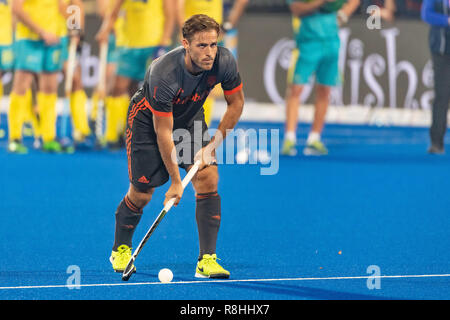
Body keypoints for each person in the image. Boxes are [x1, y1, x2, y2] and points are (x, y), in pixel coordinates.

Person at [109, 14, 244, 279]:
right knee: (143, 192)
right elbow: (164, 133)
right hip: (149, 122)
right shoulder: (164, 73)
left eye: (213, 45)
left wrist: (212, 145)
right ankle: (120, 248)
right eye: (201, 46)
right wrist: (175, 182)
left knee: (207, 177)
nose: (209, 53)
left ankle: (207, 260)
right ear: (185, 44)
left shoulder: (224, 61)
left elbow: (236, 104)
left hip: (189, 118)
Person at [281, 0, 359, 156]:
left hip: (331, 42)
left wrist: (342, 15)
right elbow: (296, 8)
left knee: (324, 90)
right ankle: (289, 138)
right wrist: (319, 2)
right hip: (307, 43)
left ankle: (314, 138)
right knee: (296, 88)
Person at [96, 0, 176, 150]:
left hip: (153, 45)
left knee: (151, 92)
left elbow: (169, 15)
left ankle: (150, 134)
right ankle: (114, 134)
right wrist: (105, 30)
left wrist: (164, 41)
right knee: (118, 88)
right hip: (128, 46)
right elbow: (113, 12)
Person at [176, 0, 248, 126]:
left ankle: (199, 133)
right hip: (194, 40)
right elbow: (178, 4)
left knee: (207, 88)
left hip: (210, 40)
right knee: (184, 88)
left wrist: (229, 24)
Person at [8, 0, 65, 154]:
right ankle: (15, 138)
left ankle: (48, 138)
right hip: (29, 38)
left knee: (50, 87)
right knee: (22, 85)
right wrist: (41, 32)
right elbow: (16, 9)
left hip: (53, 38)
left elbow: (66, 7)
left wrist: (74, 30)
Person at [59, 0, 92, 148]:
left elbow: (77, 7)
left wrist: (77, 32)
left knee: (76, 82)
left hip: (68, 40)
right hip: (49, 36)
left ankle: (81, 130)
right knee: (41, 83)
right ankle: (42, 130)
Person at [421, 0, 450, 154]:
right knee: (442, 96)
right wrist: (447, 20)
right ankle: (437, 142)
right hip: (441, 49)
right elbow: (426, 14)